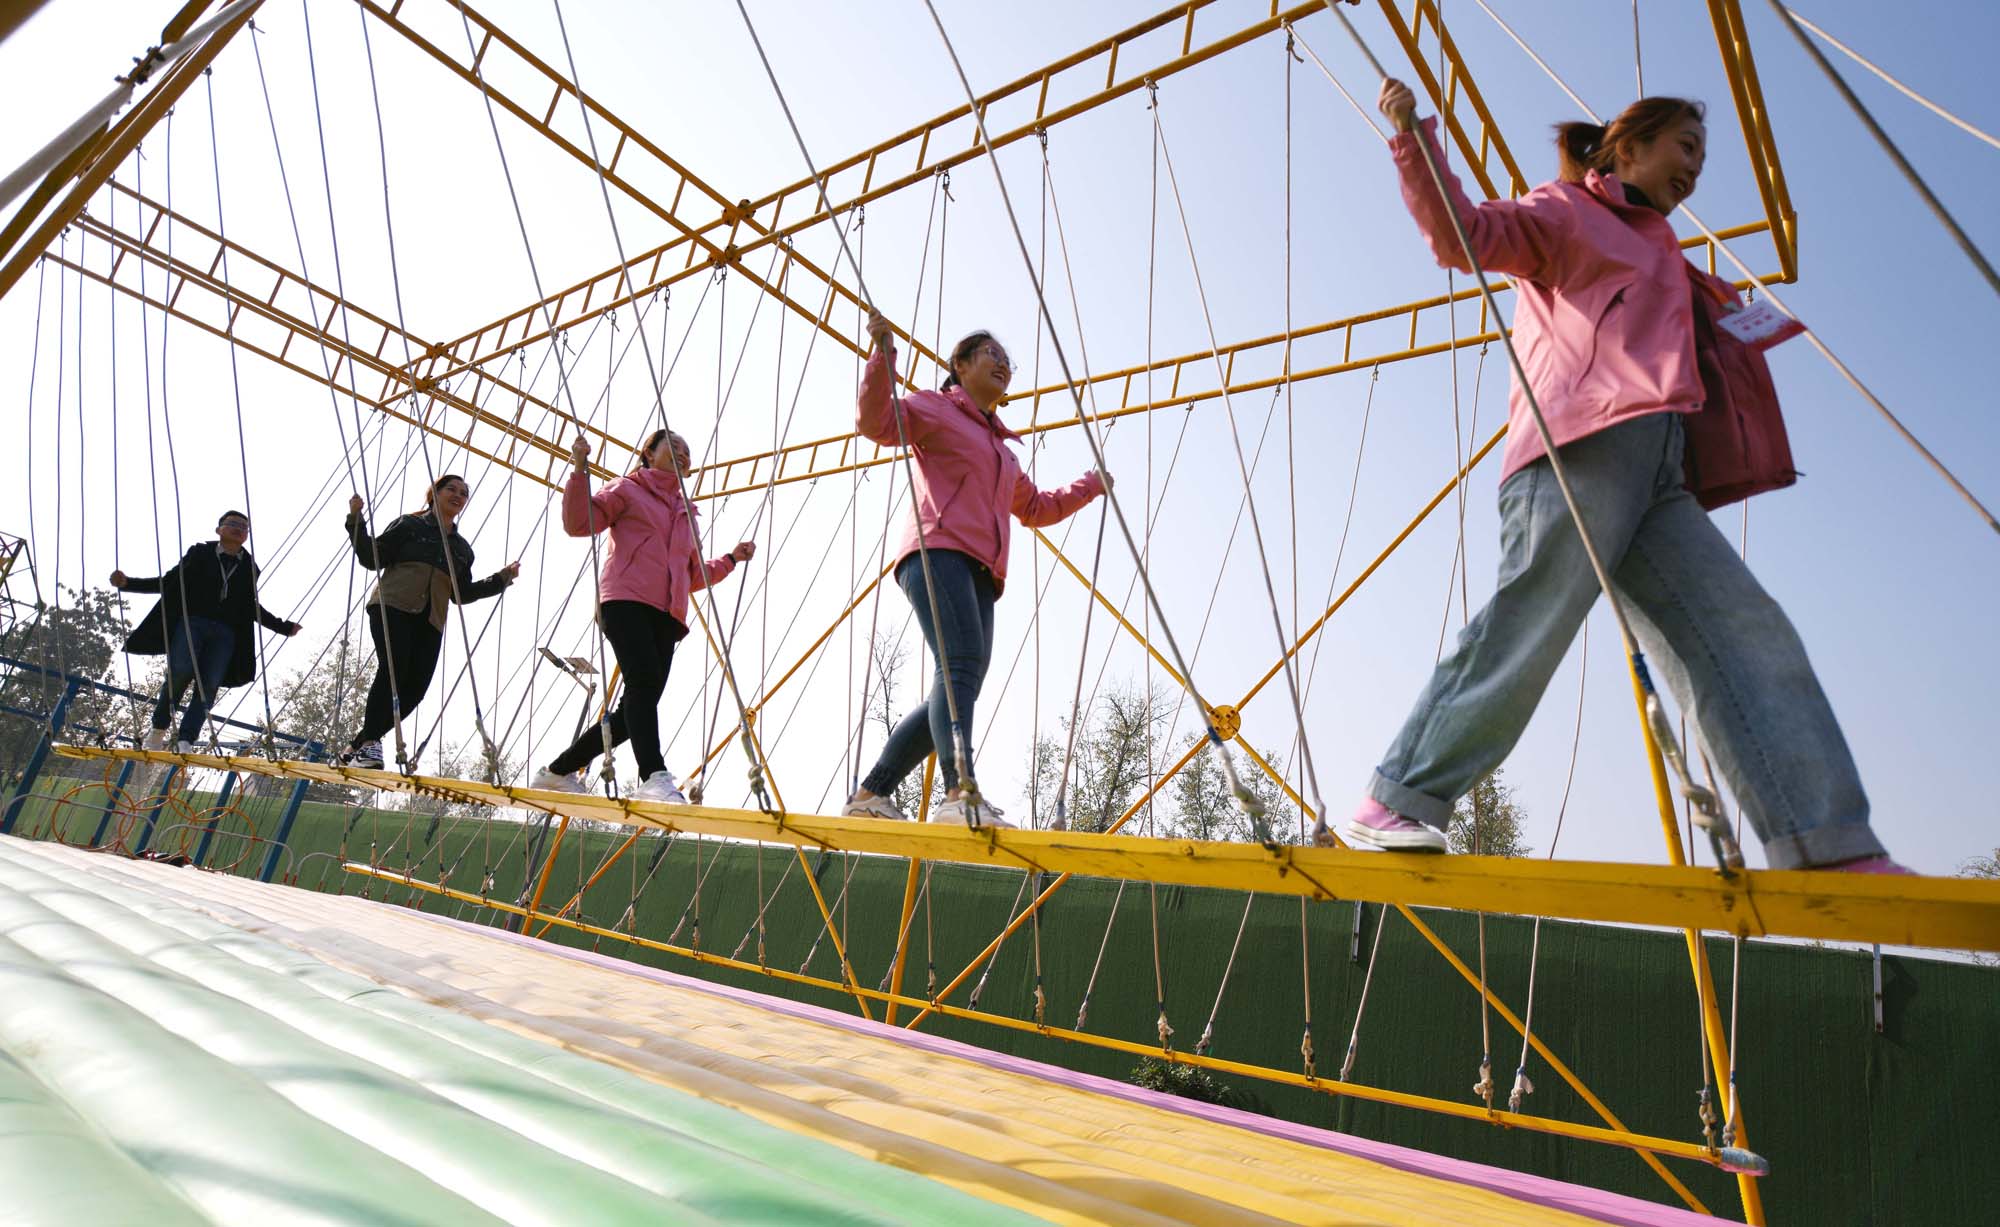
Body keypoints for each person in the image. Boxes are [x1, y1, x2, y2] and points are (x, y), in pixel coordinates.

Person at [1343, 79, 1906, 873]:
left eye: (1702, 156)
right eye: (1686, 146)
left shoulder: (1669, 254)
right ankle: (1397, 795)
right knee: (1533, 620)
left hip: (1662, 471)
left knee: (1745, 629)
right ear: (1630, 145)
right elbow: (1464, 236)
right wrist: (1412, 135)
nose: (1697, 167)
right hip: (1581, 445)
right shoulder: (1568, 211)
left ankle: (1824, 842)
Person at [843, 314, 1108, 828]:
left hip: (982, 571)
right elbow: (876, 423)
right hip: (936, 550)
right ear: (960, 366)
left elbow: (1036, 508)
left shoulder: (1002, 452)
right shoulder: (934, 408)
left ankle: (871, 794)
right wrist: (882, 356)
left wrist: (1089, 485)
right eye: (992, 355)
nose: (1003, 364)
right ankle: (958, 793)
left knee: (957, 682)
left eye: (1008, 361)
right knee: (959, 666)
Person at [530, 430, 753, 803]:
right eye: (674, 447)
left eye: (687, 451)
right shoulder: (627, 489)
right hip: (625, 600)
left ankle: (556, 772)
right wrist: (580, 469)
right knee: (644, 687)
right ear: (648, 453)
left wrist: (731, 559)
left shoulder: (686, 513)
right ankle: (653, 775)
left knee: (632, 711)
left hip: (667, 615)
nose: (683, 455)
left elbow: (691, 574)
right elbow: (579, 523)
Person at [341, 474, 518, 769]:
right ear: (433, 493)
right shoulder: (409, 525)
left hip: (431, 619)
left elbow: (461, 594)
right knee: (394, 670)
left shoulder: (462, 550)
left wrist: (501, 579)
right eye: (451, 489)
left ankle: (358, 745)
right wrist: (356, 521)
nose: (458, 496)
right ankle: (370, 744)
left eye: (463, 493)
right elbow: (372, 557)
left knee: (416, 688)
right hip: (393, 605)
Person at [111, 510, 300, 751]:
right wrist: (129, 583)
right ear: (219, 530)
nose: (238, 529)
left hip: (226, 633)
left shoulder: (249, 566)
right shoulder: (200, 554)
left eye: (243, 527)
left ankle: (186, 739)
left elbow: (249, 606)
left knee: (209, 684)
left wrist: (282, 627)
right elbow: (170, 583)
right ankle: (158, 729)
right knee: (180, 671)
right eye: (232, 524)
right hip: (194, 622)